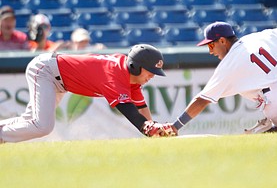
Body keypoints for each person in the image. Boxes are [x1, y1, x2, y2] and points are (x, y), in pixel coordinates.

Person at [0, 44, 174, 143]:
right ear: (135, 67)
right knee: (42, 126)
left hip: (57, 78)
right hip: (46, 70)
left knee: (30, 122)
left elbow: (142, 110)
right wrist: (150, 128)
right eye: (150, 71)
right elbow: (129, 111)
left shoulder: (133, 80)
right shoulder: (115, 73)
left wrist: (154, 130)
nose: (152, 76)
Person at [169, 21, 277, 135]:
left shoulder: (228, 64)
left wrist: (175, 126)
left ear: (222, 41)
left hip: (273, 103)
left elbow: (202, 99)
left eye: (210, 45)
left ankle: (263, 134)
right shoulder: (266, 35)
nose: (210, 51)